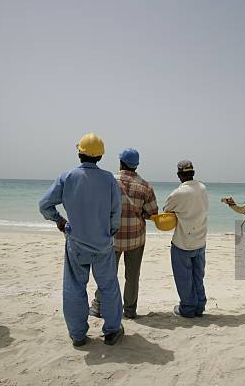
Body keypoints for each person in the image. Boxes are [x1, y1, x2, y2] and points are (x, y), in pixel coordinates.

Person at [39, 133, 124, 347]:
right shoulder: (109, 180)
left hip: (76, 243)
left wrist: (59, 221)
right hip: (103, 244)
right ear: (100, 157)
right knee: (109, 286)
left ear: (79, 153)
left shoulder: (67, 177)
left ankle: (78, 335)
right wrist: (111, 231)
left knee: (75, 287)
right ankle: (112, 330)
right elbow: (116, 213)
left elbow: (44, 205)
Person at [90, 148, 158, 319]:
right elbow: (152, 213)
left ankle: (99, 307)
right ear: (136, 165)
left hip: (111, 238)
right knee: (132, 276)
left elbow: (98, 207)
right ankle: (129, 310)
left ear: (121, 162)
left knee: (107, 274)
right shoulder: (145, 186)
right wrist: (141, 213)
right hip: (136, 238)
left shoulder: (109, 181)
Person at [163, 160, 209, 318]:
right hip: (200, 240)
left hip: (182, 242)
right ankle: (200, 306)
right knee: (198, 276)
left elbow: (166, 209)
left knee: (184, 278)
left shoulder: (178, 193)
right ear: (193, 173)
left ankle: (188, 308)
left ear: (179, 175)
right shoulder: (203, 188)